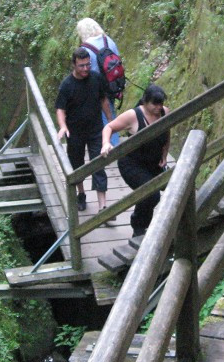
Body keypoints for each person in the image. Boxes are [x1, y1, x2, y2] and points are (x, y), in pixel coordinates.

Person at [101, 85, 170, 241]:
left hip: (154, 163)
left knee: (177, 183)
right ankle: (138, 227)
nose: (158, 108)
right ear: (145, 101)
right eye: (154, 104)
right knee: (151, 195)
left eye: (160, 104)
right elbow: (109, 127)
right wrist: (106, 143)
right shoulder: (133, 115)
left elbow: (167, 131)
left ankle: (173, 224)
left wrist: (165, 154)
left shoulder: (164, 112)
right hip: (132, 164)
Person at [56, 47, 114, 212]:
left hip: (96, 130)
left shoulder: (96, 78)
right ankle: (81, 194)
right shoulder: (67, 85)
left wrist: (110, 121)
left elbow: (103, 100)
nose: (85, 69)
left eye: (88, 65)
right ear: (74, 65)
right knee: (77, 165)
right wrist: (63, 126)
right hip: (75, 133)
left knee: (99, 164)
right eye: (81, 66)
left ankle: (102, 205)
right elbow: (60, 108)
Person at [77, 18, 121, 146]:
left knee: (102, 118)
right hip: (113, 84)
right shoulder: (109, 41)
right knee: (110, 114)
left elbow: (85, 71)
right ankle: (113, 143)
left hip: (96, 88)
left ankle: (110, 147)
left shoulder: (86, 48)